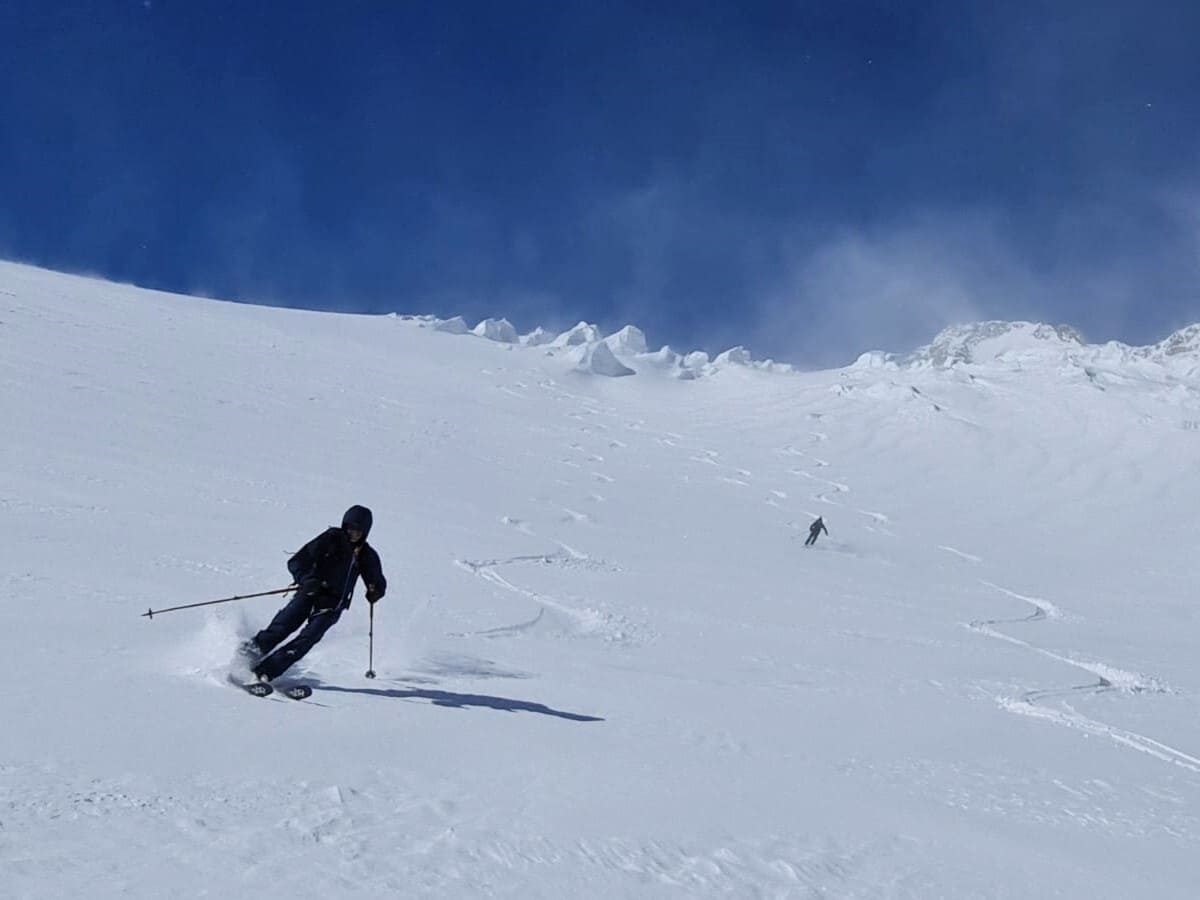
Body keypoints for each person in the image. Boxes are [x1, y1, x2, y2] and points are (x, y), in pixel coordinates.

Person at [241, 505, 386, 682]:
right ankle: (242, 660)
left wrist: (375, 591)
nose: (353, 532)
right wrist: (307, 580)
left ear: (365, 532)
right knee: (281, 627)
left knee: (307, 639)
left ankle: (265, 673)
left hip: (332, 605)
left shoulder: (366, 555)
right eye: (350, 527)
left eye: (358, 529)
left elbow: (377, 581)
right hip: (309, 593)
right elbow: (297, 561)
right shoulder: (331, 538)